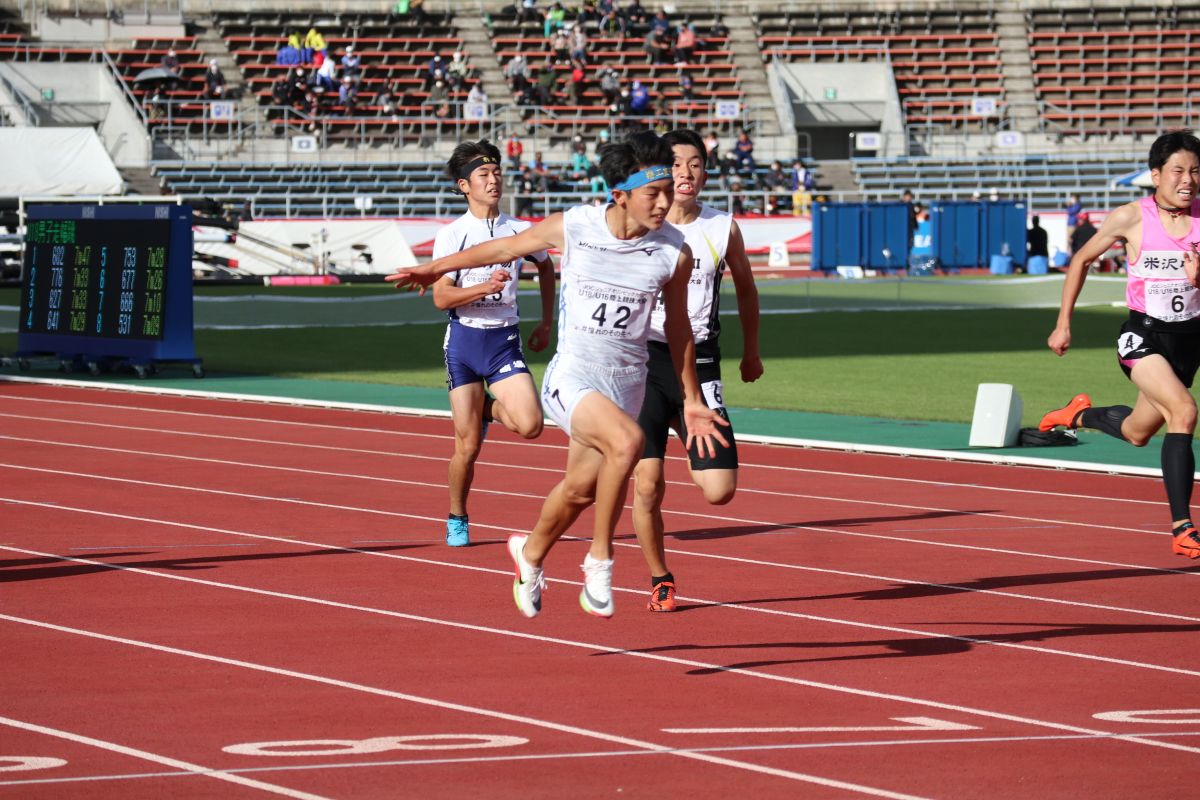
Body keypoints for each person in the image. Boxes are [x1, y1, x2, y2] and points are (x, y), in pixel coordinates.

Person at [386, 131, 730, 617]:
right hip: (571, 377)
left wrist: (693, 400)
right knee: (628, 444)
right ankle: (599, 562)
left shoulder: (675, 251)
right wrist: (433, 269)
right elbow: (501, 249)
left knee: (579, 491)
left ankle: (529, 556)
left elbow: (678, 329)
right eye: (653, 193)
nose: (664, 202)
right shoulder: (576, 226)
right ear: (620, 195)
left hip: (626, 382)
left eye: (667, 191)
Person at [1041, 130, 1200, 560]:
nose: (1188, 180)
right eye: (1178, 171)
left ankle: (1078, 412)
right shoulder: (1131, 217)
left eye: (1195, 171)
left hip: (1188, 341)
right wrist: (1063, 325)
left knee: (1137, 432)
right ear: (1156, 175)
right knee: (1184, 411)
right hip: (1141, 336)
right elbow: (1081, 259)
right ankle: (1183, 526)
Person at [631, 129, 762, 611]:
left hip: (701, 365)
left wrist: (752, 352)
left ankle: (683, 437)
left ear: (706, 173)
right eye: (677, 164)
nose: (686, 174)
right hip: (642, 363)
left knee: (719, 492)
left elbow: (746, 290)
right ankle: (660, 577)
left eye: (695, 165)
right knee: (647, 485)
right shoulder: (639, 224)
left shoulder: (721, 227)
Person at [423, 141, 557, 547]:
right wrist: (483, 286)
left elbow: (547, 268)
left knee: (531, 425)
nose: (494, 179)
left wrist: (547, 322)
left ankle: (485, 406)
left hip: (504, 340)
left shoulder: (520, 231)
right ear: (464, 185)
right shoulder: (452, 235)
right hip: (464, 342)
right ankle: (457, 515)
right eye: (484, 174)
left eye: (497, 172)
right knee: (468, 445)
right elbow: (441, 299)